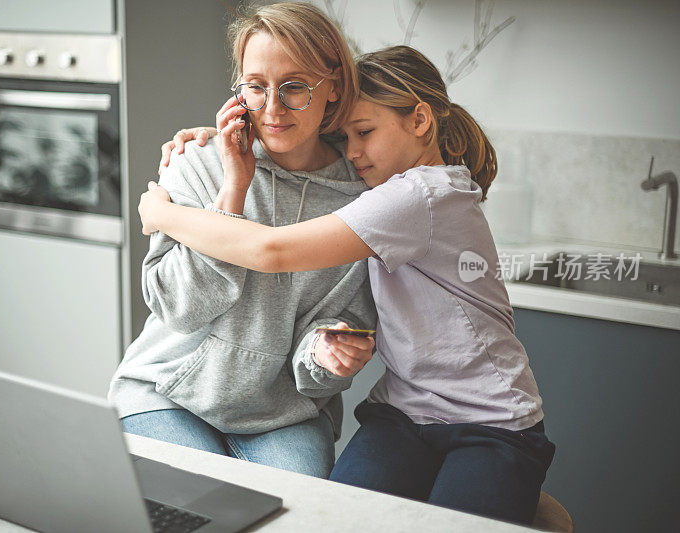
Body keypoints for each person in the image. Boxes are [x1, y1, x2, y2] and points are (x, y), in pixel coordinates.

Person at [139, 45, 556, 526]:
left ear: (420, 121)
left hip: (491, 423)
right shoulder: (386, 188)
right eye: (345, 136)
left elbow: (271, 251)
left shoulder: (418, 195)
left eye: (364, 133)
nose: (352, 151)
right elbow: (312, 157)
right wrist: (228, 138)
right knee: (333, 520)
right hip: (403, 414)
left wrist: (163, 214)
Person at [108, 2, 377, 480]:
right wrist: (232, 190)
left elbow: (332, 340)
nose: (272, 109)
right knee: (197, 500)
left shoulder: (361, 202)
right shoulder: (198, 161)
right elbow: (179, 308)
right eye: (256, 87)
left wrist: (327, 356)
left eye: (294, 87)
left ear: (334, 85)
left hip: (280, 413)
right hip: (164, 390)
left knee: (300, 513)